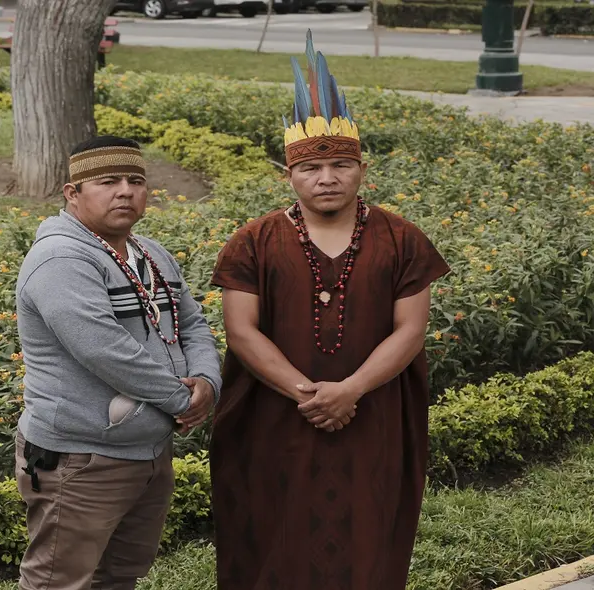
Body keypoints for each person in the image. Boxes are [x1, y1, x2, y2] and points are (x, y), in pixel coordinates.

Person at [208, 30, 450, 590]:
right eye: (312, 169)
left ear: (362, 168)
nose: (327, 178)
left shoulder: (402, 239)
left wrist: (352, 390)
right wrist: (308, 394)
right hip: (272, 419)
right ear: (287, 174)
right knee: (272, 532)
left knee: (368, 534)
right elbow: (241, 332)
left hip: (375, 415)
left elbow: (411, 330)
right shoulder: (253, 241)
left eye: (341, 165)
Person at [13, 135, 222, 590]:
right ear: (73, 193)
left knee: (121, 575)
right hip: (82, 457)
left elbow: (192, 321)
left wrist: (207, 379)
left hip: (148, 451)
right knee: (58, 581)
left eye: (136, 180)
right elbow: (103, 349)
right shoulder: (60, 258)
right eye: (107, 181)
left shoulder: (150, 253)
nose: (125, 191)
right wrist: (181, 401)